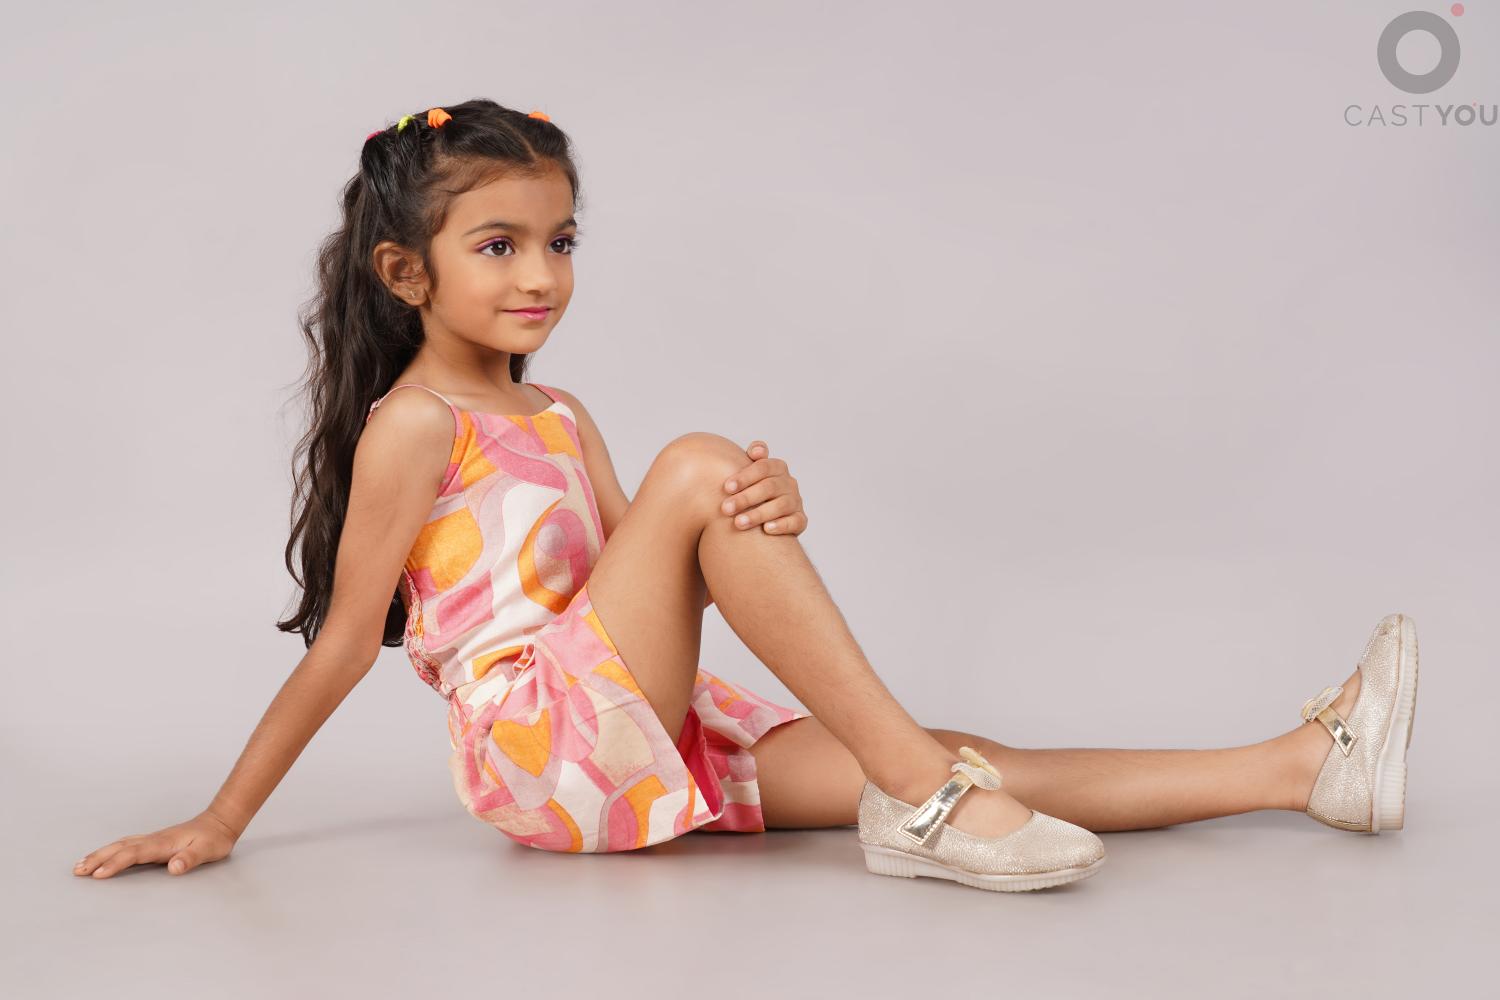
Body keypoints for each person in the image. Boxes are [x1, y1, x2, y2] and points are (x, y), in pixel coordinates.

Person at [72, 98, 1420, 893]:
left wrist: (753, 518)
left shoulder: (558, 412)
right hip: (544, 757)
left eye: (559, 240)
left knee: (948, 744)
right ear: (406, 274)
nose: (540, 274)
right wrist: (220, 819)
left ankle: (1300, 772)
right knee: (705, 469)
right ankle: (924, 803)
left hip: (651, 723)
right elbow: (340, 648)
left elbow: (653, 577)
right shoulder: (416, 426)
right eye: (498, 245)